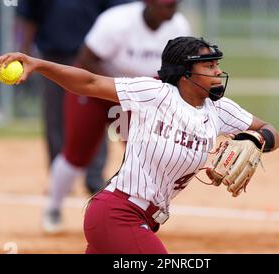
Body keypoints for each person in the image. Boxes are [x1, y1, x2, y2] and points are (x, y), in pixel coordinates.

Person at [0, 36, 279, 254]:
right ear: (185, 73)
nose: (218, 71)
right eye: (209, 65)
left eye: (217, 64)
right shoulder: (155, 93)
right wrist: (39, 64)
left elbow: (271, 130)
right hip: (117, 214)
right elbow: (90, 83)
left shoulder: (218, 110)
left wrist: (257, 139)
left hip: (141, 220)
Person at [43, 0, 191, 234]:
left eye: (175, 4)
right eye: (167, 5)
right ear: (149, 3)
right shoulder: (117, 21)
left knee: (146, 151)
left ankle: (135, 212)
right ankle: (53, 208)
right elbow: (87, 58)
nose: (173, 9)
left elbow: (179, 72)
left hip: (137, 98)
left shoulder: (179, 27)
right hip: (95, 91)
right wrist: (117, 89)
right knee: (77, 154)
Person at [15, 0, 130, 191]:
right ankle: (60, 181)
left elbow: (116, 16)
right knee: (55, 119)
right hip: (53, 58)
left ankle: (93, 178)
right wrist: (25, 51)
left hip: (92, 59)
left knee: (94, 118)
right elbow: (28, 16)